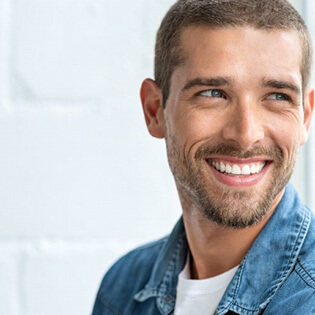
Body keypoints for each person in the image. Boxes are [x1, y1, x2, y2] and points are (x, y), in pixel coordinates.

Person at [92, 0, 315, 314]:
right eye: (213, 93)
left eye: (277, 97)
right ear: (155, 110)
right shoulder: (122, 288)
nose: (246, 133)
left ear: (304, 117)